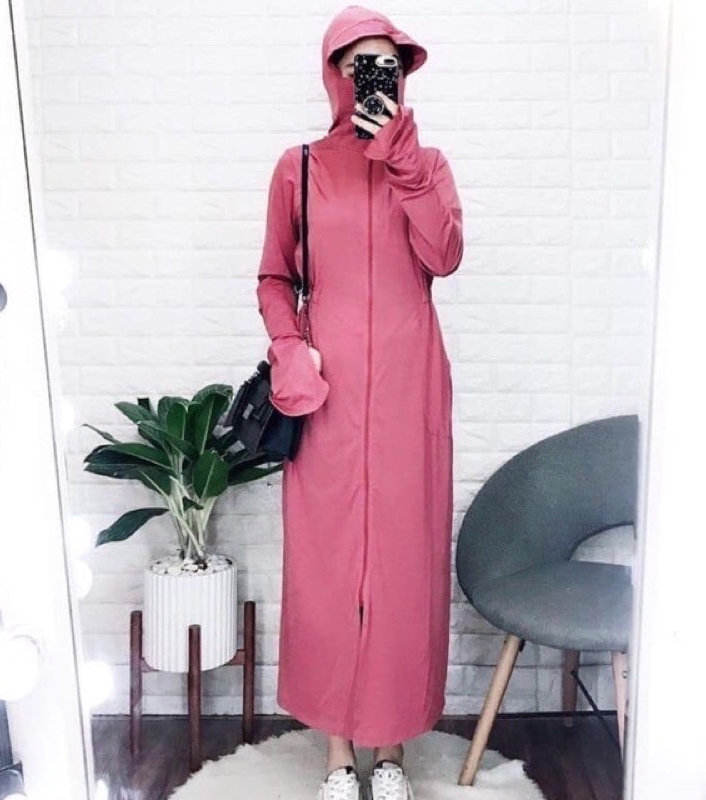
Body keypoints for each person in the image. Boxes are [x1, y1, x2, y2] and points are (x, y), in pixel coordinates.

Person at [255, 5, 463, 799]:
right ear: (333, 75)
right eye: (358, 65)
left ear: (403, 78)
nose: (374, 78)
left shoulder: (428, 163)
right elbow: (275, 277)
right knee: (330, 569)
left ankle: (393, 752)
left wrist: (401, 157)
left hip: (411, 388)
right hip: (328, 392)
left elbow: (444, 254)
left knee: (403, 568)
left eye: (388, 67)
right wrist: (289, 349)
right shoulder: (299, 167)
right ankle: (340, 757)